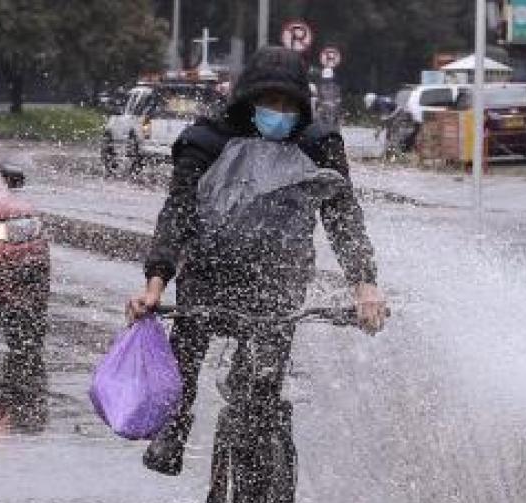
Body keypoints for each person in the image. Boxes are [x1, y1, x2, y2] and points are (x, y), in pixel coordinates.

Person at [127, 47, 386, 476]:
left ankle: (265, 476)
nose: (278, 114)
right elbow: (177, 213)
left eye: (288, 106)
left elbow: (342, 217)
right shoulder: (206, 141)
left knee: (264, 386)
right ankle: (174, 428)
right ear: (247, 101)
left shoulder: (317, 145)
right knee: (186, 353)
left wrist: (364, 285)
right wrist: (154, 284)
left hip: (278, 282)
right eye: (269, 103)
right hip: (209, 276)